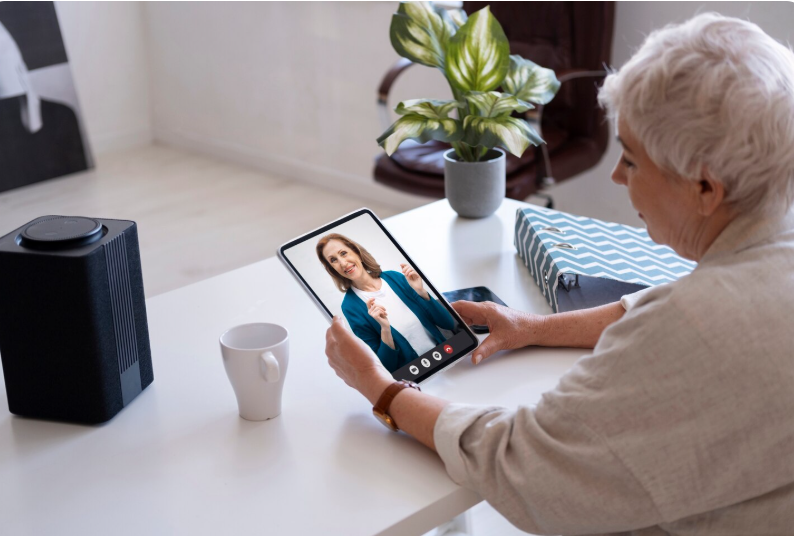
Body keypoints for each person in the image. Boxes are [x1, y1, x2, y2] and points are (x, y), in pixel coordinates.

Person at [324, 13, 794, 535]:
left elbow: (526, 468)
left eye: (631, 160)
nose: (616, 176)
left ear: (705, 188)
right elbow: (667, 306)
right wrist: (533, 327)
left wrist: (381, 390)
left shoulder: (694, 326)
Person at [316, 233, 457, 372]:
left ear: (356, 252)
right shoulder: (350, 307)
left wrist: (422, 292)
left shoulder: (395, 278)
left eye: (343, 253)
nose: (342, 263)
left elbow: (448, 324)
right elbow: (386, 366)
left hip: (447, 358)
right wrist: (385, 329)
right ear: (332, 269)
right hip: (416, 376)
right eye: (333, 260)